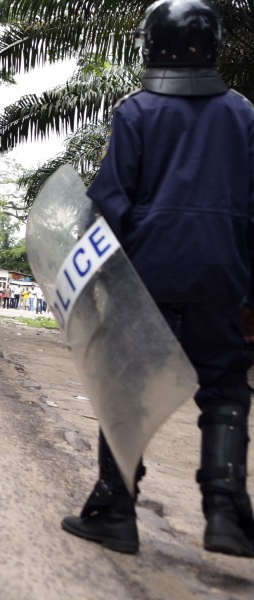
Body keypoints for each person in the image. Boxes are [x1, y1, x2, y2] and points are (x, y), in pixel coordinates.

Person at [61, 0, 254, 558]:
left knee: (126, 391)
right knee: (225, 392)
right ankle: (228, 519)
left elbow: (110, 204)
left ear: (153, 44)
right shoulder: (243, 114)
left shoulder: (137, 111)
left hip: (147, 277)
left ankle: (114, 513)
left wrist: (98, 288)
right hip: (221, 277)